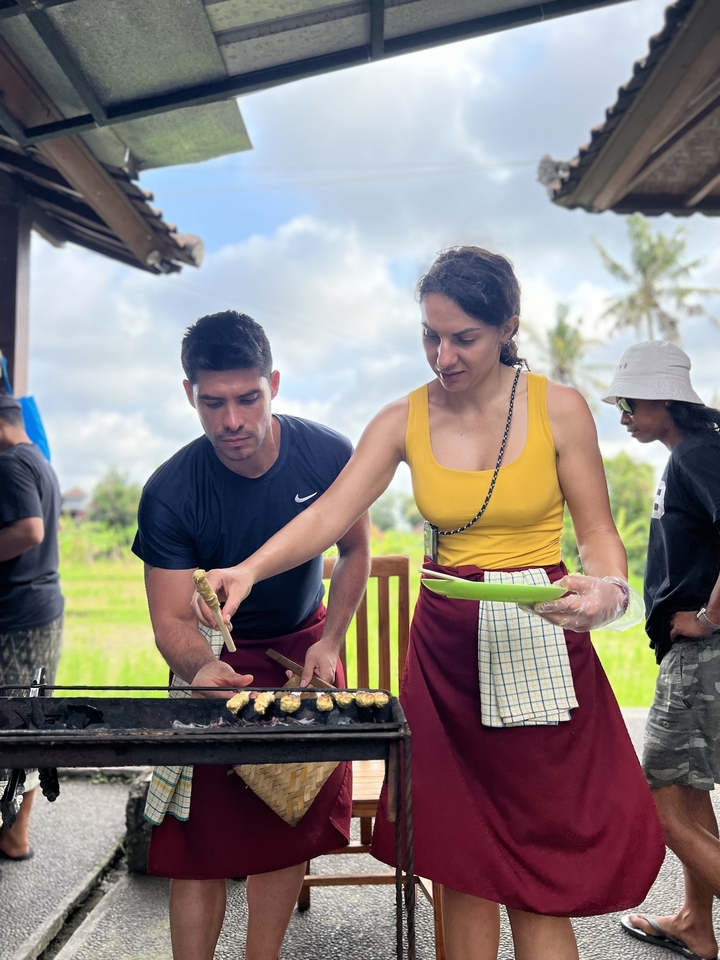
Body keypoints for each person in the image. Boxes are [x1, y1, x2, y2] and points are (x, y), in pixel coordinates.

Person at [192, 248, 665, 960]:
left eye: (463, 338)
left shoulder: (558, 410)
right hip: (444, 653)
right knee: (459, 862)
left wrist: (605, 592)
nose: (442, 356)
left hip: (535, 641)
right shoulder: (404, 417)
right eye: (429, 335)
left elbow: (599, 535)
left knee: (536, 876)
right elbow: (329, 517)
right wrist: (249, 570)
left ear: (507, 326)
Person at [132, 310, 370, 960]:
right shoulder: (171, 491)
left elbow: (355, 553)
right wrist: (197, 670)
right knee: (197, 845)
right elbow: (172, 621)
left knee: (287, 825)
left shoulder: (327, 453)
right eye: (212, 403)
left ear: (275, 383)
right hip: (216, 662)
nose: (231, 421)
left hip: (304, 652)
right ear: (190, 395)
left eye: (247, 399)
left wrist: (331, 643)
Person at [602, 342, 720, 960]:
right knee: (688, 790)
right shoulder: (693, 453)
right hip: (693, 654)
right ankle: (696, 925)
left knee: (663, 797)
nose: (622, 412)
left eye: (630, 400)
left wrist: (705, 617)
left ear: (666, 400)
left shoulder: (701, 452)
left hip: (703, 653)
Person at [0, 392, 63, 862]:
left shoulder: (10, 464)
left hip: (16, 617)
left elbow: (29, 530)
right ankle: (15, 833)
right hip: (41, 611)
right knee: (29, 721)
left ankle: (14, 834)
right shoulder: (39, 460)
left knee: (11, 723)